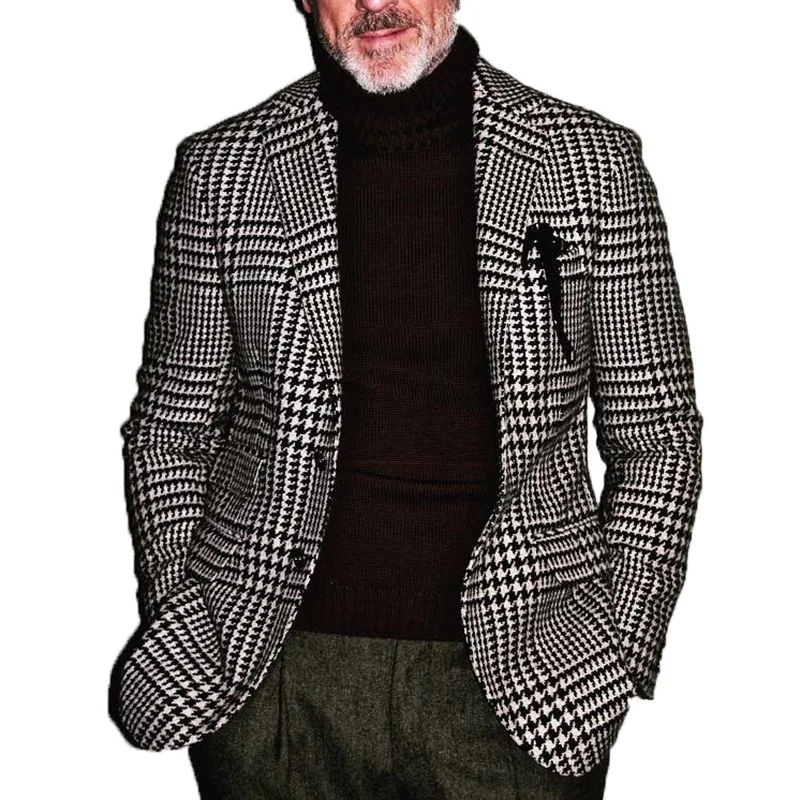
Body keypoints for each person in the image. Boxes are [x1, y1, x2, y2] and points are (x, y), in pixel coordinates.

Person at [109, 1, 703, 797]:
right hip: (274, 678)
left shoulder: (589, 160)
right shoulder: (223, 169)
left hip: (527, 679)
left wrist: (613, 640)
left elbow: (658, 433)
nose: (374, 2)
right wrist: (189, 616)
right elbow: (170, 430)